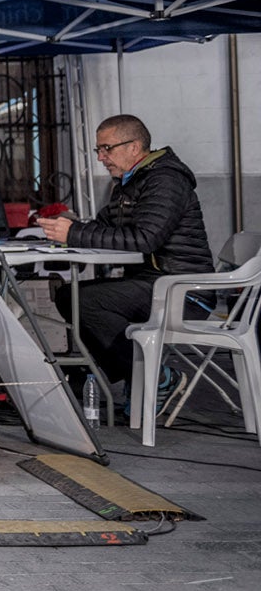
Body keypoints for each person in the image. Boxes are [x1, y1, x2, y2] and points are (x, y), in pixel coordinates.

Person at [40, 114, 212, 400]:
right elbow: (106, 226)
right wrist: (71, 228)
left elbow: (145, 239)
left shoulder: (165, 180)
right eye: (98, 150)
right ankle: (138, 374)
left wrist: (74, 234)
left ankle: (153, 377)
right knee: (69, 296)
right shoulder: (130, 182)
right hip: (153, 284)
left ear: (134, 147)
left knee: (81, 300)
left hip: (182, 291)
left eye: (107, 148)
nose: (101, 157)